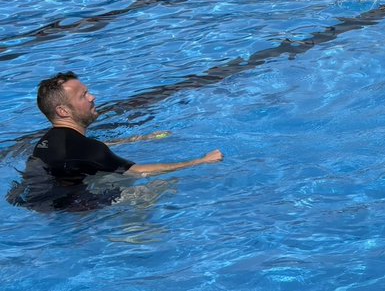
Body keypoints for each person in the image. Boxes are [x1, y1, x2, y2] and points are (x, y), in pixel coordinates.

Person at [7, 72, 223, 211]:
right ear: (63, 111)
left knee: (105, 177)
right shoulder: (90, 149)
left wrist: (138, 139)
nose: (92, 97)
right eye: (83, 96)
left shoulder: (48, 140)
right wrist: (200, 161)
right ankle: (135, 239)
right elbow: (140, 171)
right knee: (158, 187)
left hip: (33, 202)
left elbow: (84, 153)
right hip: (68, 208)